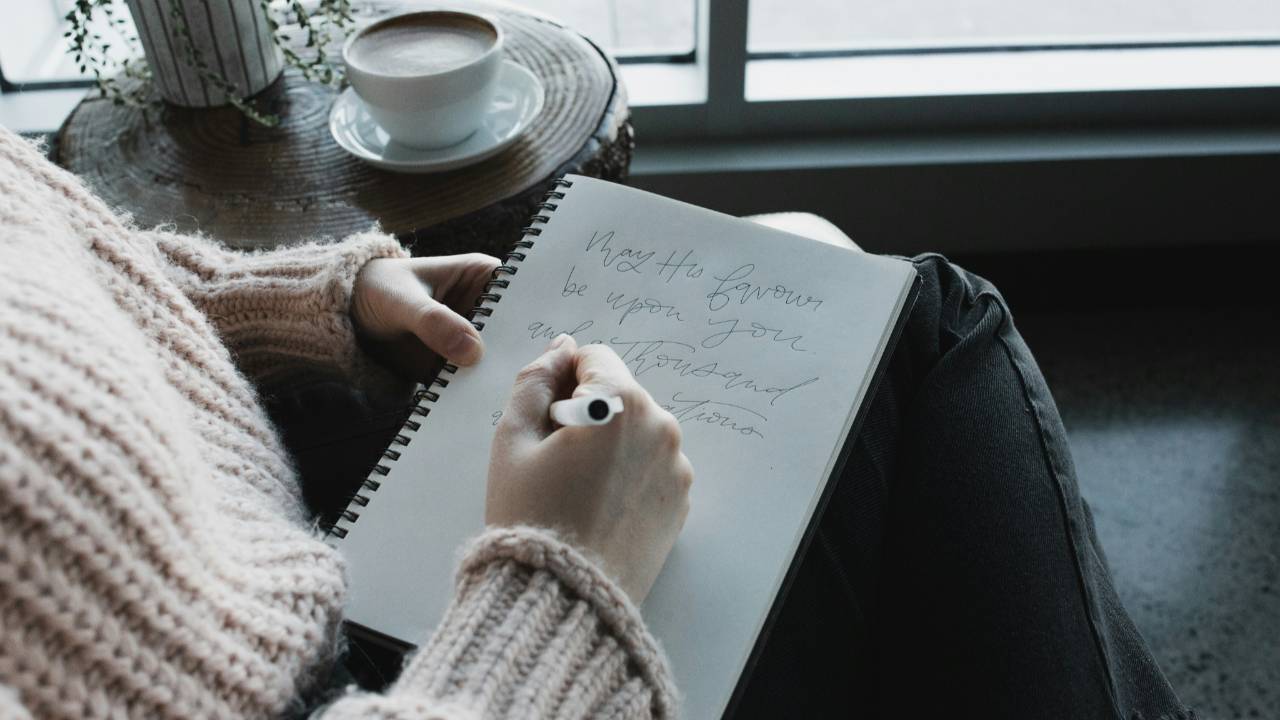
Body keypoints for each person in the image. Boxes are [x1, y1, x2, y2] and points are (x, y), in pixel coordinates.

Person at [0, 126, 1190, 720]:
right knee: (924, 320)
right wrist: (562, 573)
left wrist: (313, 306)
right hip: (425, 674)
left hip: (280, 558)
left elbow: (51, 271)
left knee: (835, 276)